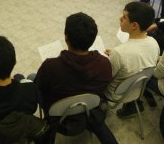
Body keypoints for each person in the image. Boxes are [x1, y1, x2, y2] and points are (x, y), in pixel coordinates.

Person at [34, 12, 116, 144]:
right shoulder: (105, 63)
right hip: (89, 110)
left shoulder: (50, 66)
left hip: (58, 117)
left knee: (34, 78)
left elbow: (39, 88)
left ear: (66, 38)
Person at [104, 2, 160, 117]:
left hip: (114, 95)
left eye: (124, 17)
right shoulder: (154, 43)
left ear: (134, 25)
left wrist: (112, 57)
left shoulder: (119, 53)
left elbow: (104, 79)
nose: (120, 19)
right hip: (137, 89)